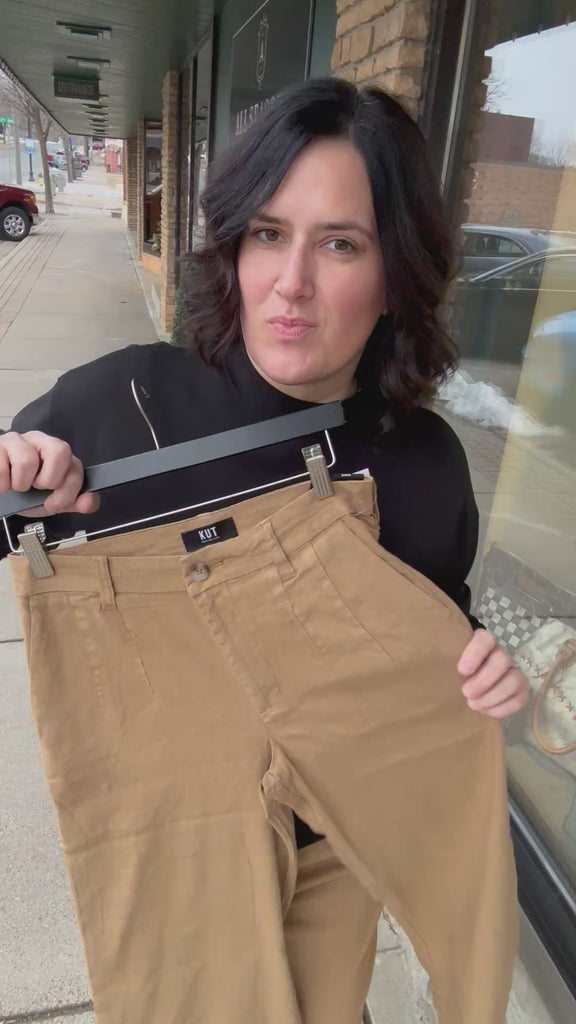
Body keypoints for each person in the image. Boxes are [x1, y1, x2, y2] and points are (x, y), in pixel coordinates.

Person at [0, 78, 528, 1020]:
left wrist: (491, 670)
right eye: (268, 234)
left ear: (396, 271)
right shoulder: (115, 411)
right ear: (234, 247)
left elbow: (438, 644)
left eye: (340, 244)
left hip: (341, 845)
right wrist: (10, 472)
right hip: (172, 799)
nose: (291, 283)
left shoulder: (419, 463)